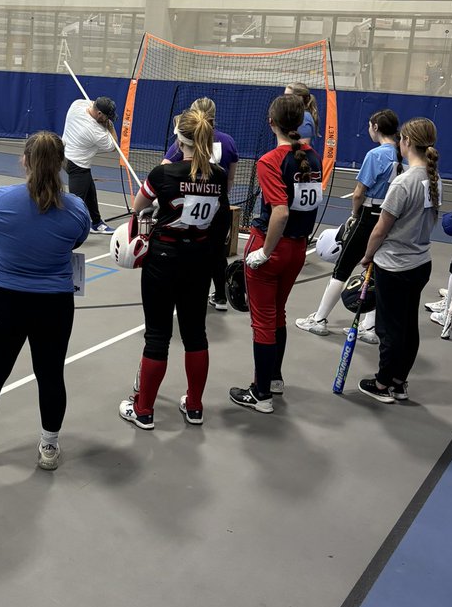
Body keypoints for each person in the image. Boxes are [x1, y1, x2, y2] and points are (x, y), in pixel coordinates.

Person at [0, 132, 89, 468]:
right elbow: (76, 240)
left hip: (6, 300)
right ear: (61, 164)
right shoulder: (76, 209)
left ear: (25, 161)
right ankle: (49, 447)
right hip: (54, 304)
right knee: (50, 375)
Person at [119, 105, 230, 429]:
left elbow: (139, 207)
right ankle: (194, 406)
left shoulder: (162, 174)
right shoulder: (219, 176)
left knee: (157, 336)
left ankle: (144, 411)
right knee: (196, 334)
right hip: (200, 261)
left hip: (163, 261)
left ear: (178, 139)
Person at [229, 94, 323, 413]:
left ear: (272, 123)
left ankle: (261, 393)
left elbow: (280, 212)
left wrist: (263, 252)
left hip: (272, 246)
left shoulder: (271, 161)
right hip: (298, 249)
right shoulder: (312, 156)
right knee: (277, 313)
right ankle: (274, 379)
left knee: (263, 321)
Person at [297, 109, 400, 343]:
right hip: (390, 216)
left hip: (369, 215)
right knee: (375, 268)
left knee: (342, 268)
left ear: (375, 127)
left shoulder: (376, 155)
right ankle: (370, 326)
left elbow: (358, 193)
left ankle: (319, 319)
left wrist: (354, 216)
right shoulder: (401, 153)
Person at [358, 118, 440, 401]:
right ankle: (398, 380)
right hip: (420, 262)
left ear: (406, 142)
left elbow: (382, 227)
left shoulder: (404, 182)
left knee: (388, 327)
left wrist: (368, 255)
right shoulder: (433, 178)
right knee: (407, 324)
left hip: (394, 265)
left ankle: (382, 384)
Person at [162, 96, 238, 310]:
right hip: (217, 205)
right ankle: (221, 296)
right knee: (217, 252)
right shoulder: (228, 141)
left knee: (190, 248)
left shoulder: (186, 139)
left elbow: (165, 167)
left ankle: (187, 294)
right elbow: (230, 178)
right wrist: (218, 197)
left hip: (190, 205)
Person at [61, 94, 117, 233]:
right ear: (99, 113)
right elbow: (113, 145)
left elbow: (92, 103)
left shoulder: (77, 105)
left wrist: (103, 118)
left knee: (90, 190)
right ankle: (69, 231)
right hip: (77, 165)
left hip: (64, 155)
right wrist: (109, 126)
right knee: (76, 202)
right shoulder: (94, 131)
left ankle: (97, 223)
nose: (108, 120)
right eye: (106, 117)